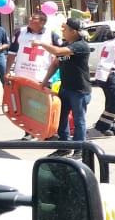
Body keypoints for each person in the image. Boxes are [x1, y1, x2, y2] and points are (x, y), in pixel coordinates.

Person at [37, 19, 92, 155]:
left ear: (73, 31)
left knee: (79, 121)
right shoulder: (67, 43)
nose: (63, 31)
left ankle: (79, 150)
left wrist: (41, 43)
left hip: (79, 90)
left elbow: (57, 50)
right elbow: (55, 64)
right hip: (65, 88)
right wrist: (44, 81)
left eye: (65, 29)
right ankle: (64, 147)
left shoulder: (81, 46)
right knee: (61, 119)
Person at [7, 10, 61, 83]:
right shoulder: (20, 32)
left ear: (42, 22)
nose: (30, 19)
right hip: (20, 76)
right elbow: (12, 53)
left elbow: (60, 53)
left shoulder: (51, 35)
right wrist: (7, 71)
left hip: (41, 79)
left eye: (33, 18)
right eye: (30, 17)